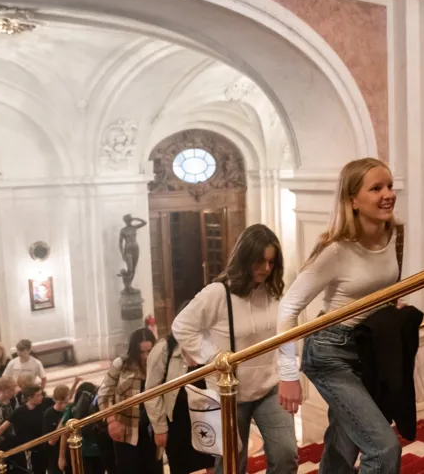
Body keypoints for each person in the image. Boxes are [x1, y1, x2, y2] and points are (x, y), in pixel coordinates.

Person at [277, 158, 406, 474]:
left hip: (368, 346)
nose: (387, 194)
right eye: (375, 188)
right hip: (330, 351)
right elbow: (288, 308)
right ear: (353, 201)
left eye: (389, 186)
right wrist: (287, 374)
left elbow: (388, 287)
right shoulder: (335, 249)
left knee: (343, 445)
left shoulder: (397, 234)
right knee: (383, 449)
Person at [172, 224, 298, 474]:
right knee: (230, 466)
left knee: (286, 455)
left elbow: (285, 335)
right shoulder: (218, 293)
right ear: (245, 258)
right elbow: (182, 326)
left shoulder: (273, 291)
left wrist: (289, 374)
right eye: (260, 261)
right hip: (229, 394)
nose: (266, 269)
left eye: (271, 263)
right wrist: (214, 357)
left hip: (268, 387)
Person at [144, 329, 215, 474]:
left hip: (207, 417)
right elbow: (152, 391)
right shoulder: (164, 349)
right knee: (180, 466)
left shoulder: (211, 343)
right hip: (177, 421)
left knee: (214, 464)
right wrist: (160, 427)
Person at [98, 328, 161, 474]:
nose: (145, 357)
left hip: (152, 431)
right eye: (141, 352)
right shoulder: (121, 364)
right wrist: (111, 421)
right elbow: (104, 394)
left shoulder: (159, 365)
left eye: (149, 351)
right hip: (125, 430)